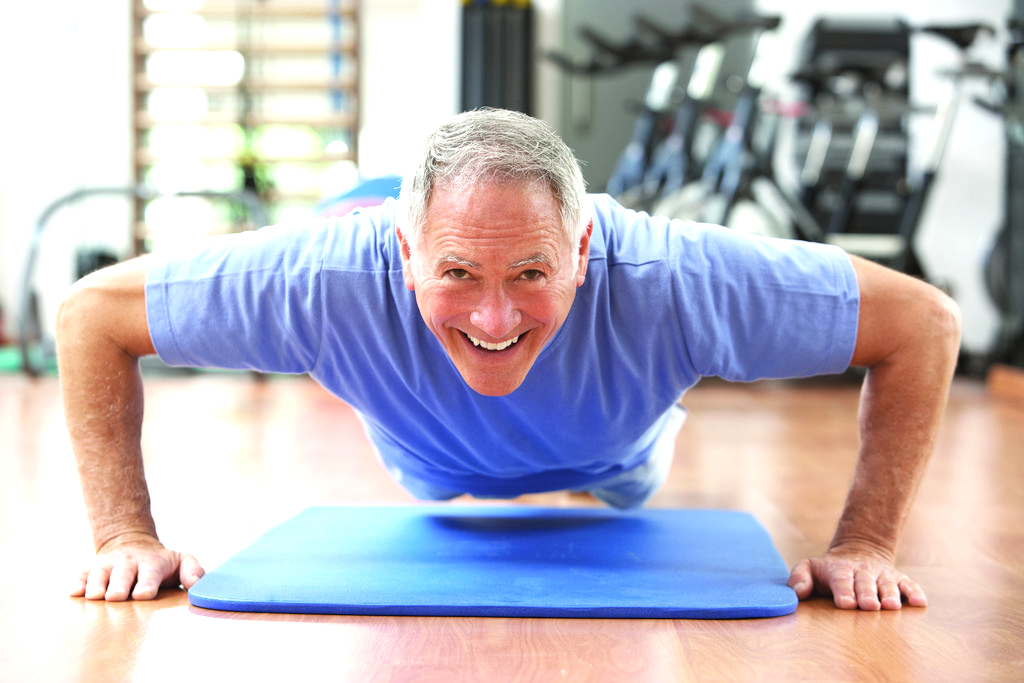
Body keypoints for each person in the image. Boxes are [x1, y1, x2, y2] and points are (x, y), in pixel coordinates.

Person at [57, 108, 960, 610]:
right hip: (430, 462)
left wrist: (866, 544)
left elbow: (921, 323)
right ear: (404, 252)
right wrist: (123, 536)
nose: (495, 314)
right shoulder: (321, 277)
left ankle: (597, 432)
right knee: (442, 471)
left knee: (625, 476)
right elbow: (93, 314)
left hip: (616, 454)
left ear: (585, 242)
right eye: (456, 270)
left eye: (532, 269)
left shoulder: (676, 277)